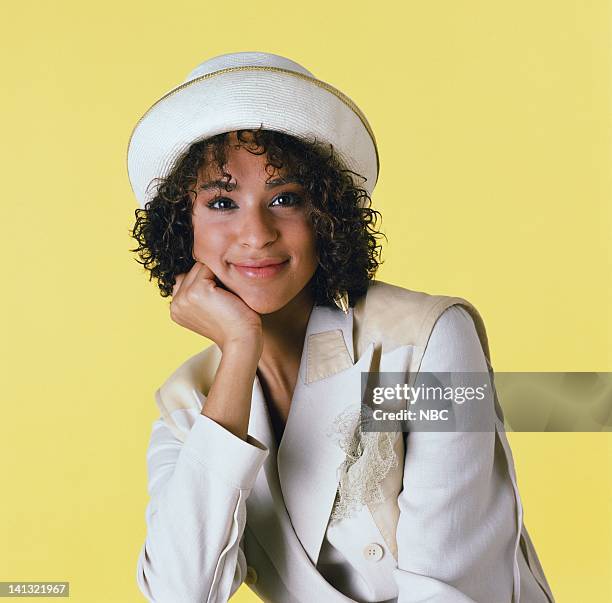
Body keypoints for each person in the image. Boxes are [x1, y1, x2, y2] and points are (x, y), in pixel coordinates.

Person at [127, 51, 555, 603]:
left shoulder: (425, 339)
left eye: (285, 198)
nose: (255, 233)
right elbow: (180, 592)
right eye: (222, 201)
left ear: (326, 215)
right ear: (181, 227)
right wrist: (238, 351)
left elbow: (453, 588)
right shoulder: (190, 403)